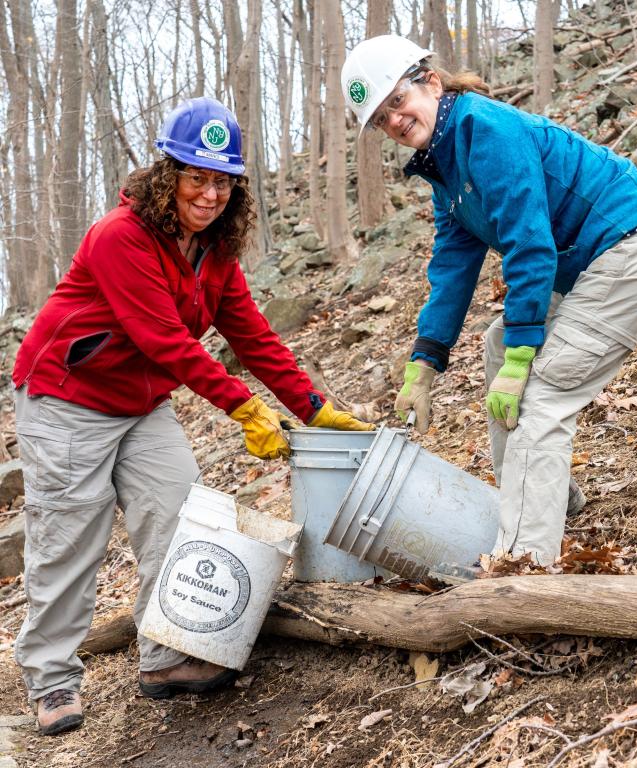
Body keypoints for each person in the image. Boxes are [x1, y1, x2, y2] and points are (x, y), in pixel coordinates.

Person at [12, 96, 373, 736]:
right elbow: (164, 341)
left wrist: (313, 408)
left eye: (223, 180)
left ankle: (165, 657)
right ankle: (52, 681)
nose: (210, 194)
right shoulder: (119, 237)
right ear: (167, 174)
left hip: (140, 403)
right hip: (68, 401)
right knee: (70, 540)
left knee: (177, 518)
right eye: (196, 177)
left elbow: (253, 334)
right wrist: (242, 407)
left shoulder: (214, 247)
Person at [341, 36, 637, 568]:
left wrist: (527, 356)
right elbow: (453, 269)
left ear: (430, 82)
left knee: (541, 393)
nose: (393, 120)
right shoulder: (444, 166)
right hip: (597, 259)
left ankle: (524, 567)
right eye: (381, 119)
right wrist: (425, 360)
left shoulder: (486, 130)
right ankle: (545, 504)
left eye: (397, 101)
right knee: (499, 344)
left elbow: (529, 243)